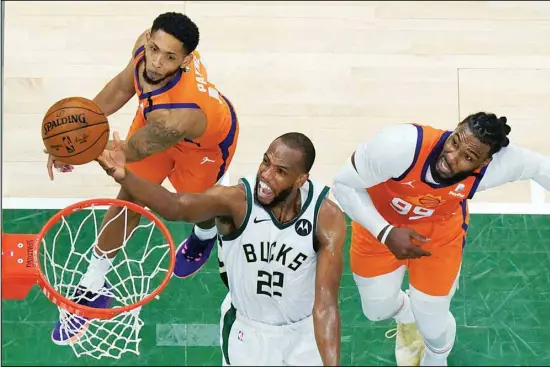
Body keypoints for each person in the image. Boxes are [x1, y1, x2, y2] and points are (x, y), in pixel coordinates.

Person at [47, 12, 240, 345]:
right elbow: (122, 85)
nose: (156, 62)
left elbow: (129, 152)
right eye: (154, 49)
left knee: (195, 205)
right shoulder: (143, 49)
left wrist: (73, 148)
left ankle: (204, 236)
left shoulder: (181, 114)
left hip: (203, 146)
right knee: (130, 197)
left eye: (169, 57)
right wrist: (76, 128)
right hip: (154, 128)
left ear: (185, 60)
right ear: (148, 37)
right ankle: (94, 283)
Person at [95, 131, 345, 366]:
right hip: (248, 332)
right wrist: (124, 175)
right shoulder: (237, 200)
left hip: (303, 332)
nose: (266, 175)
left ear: (300, 179)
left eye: (280, 171)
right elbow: (176, 206)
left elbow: (325, 305)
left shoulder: (325, 217)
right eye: (265, 162)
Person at [331, 112, 550, 366]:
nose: (451, 158)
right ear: (455, 129)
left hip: (438, 236)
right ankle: (407, 317)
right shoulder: (400, 146)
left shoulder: (498, 167)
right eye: (455, 142)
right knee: (376, 310)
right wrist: (386, 232)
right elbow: (343, 184)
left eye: (467, 157)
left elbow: (541, 167)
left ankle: (435, 358)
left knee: (433, 322)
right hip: (377, 226)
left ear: (484, 161)